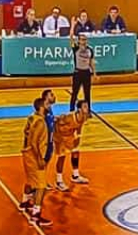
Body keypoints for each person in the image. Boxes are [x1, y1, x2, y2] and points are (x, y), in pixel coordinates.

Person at [18, 98, 53, 228]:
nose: (50, 106)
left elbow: (26, 132)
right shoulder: (40, 122)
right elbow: (34, 142)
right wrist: (39, 158)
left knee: (30, 180)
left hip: (27, 153)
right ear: (41, 107)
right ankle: (35, 215)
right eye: (47, 104)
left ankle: (25, 202)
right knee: (41, 186)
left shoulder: (32, 117)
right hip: (34, 156)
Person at [53, 102, 91, 191]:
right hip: (59, 135)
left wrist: (78, 136)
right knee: (62, 156)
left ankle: (75, 175)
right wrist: (59, 138)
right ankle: (59, 181)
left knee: (76, 152)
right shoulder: (69, 118)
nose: (87, 108)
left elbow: (80, 126)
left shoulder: (84, 116)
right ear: (79, 109)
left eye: (87, 106)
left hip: (69, 135)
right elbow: (56, 123)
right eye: (85, 106)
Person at [69, 31, 96, 111]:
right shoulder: (76, 48)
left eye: (85, 39)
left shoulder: (90, 50)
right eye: (82, 39)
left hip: (86, 73)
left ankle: (88, 110)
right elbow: (71, 38)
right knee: (75, 92)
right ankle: (72, 110)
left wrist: (94, 73)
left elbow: (91, 62)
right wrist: (72, 26)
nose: (84, 41)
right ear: (79, 41)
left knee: (87, 93)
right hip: (78, 73)